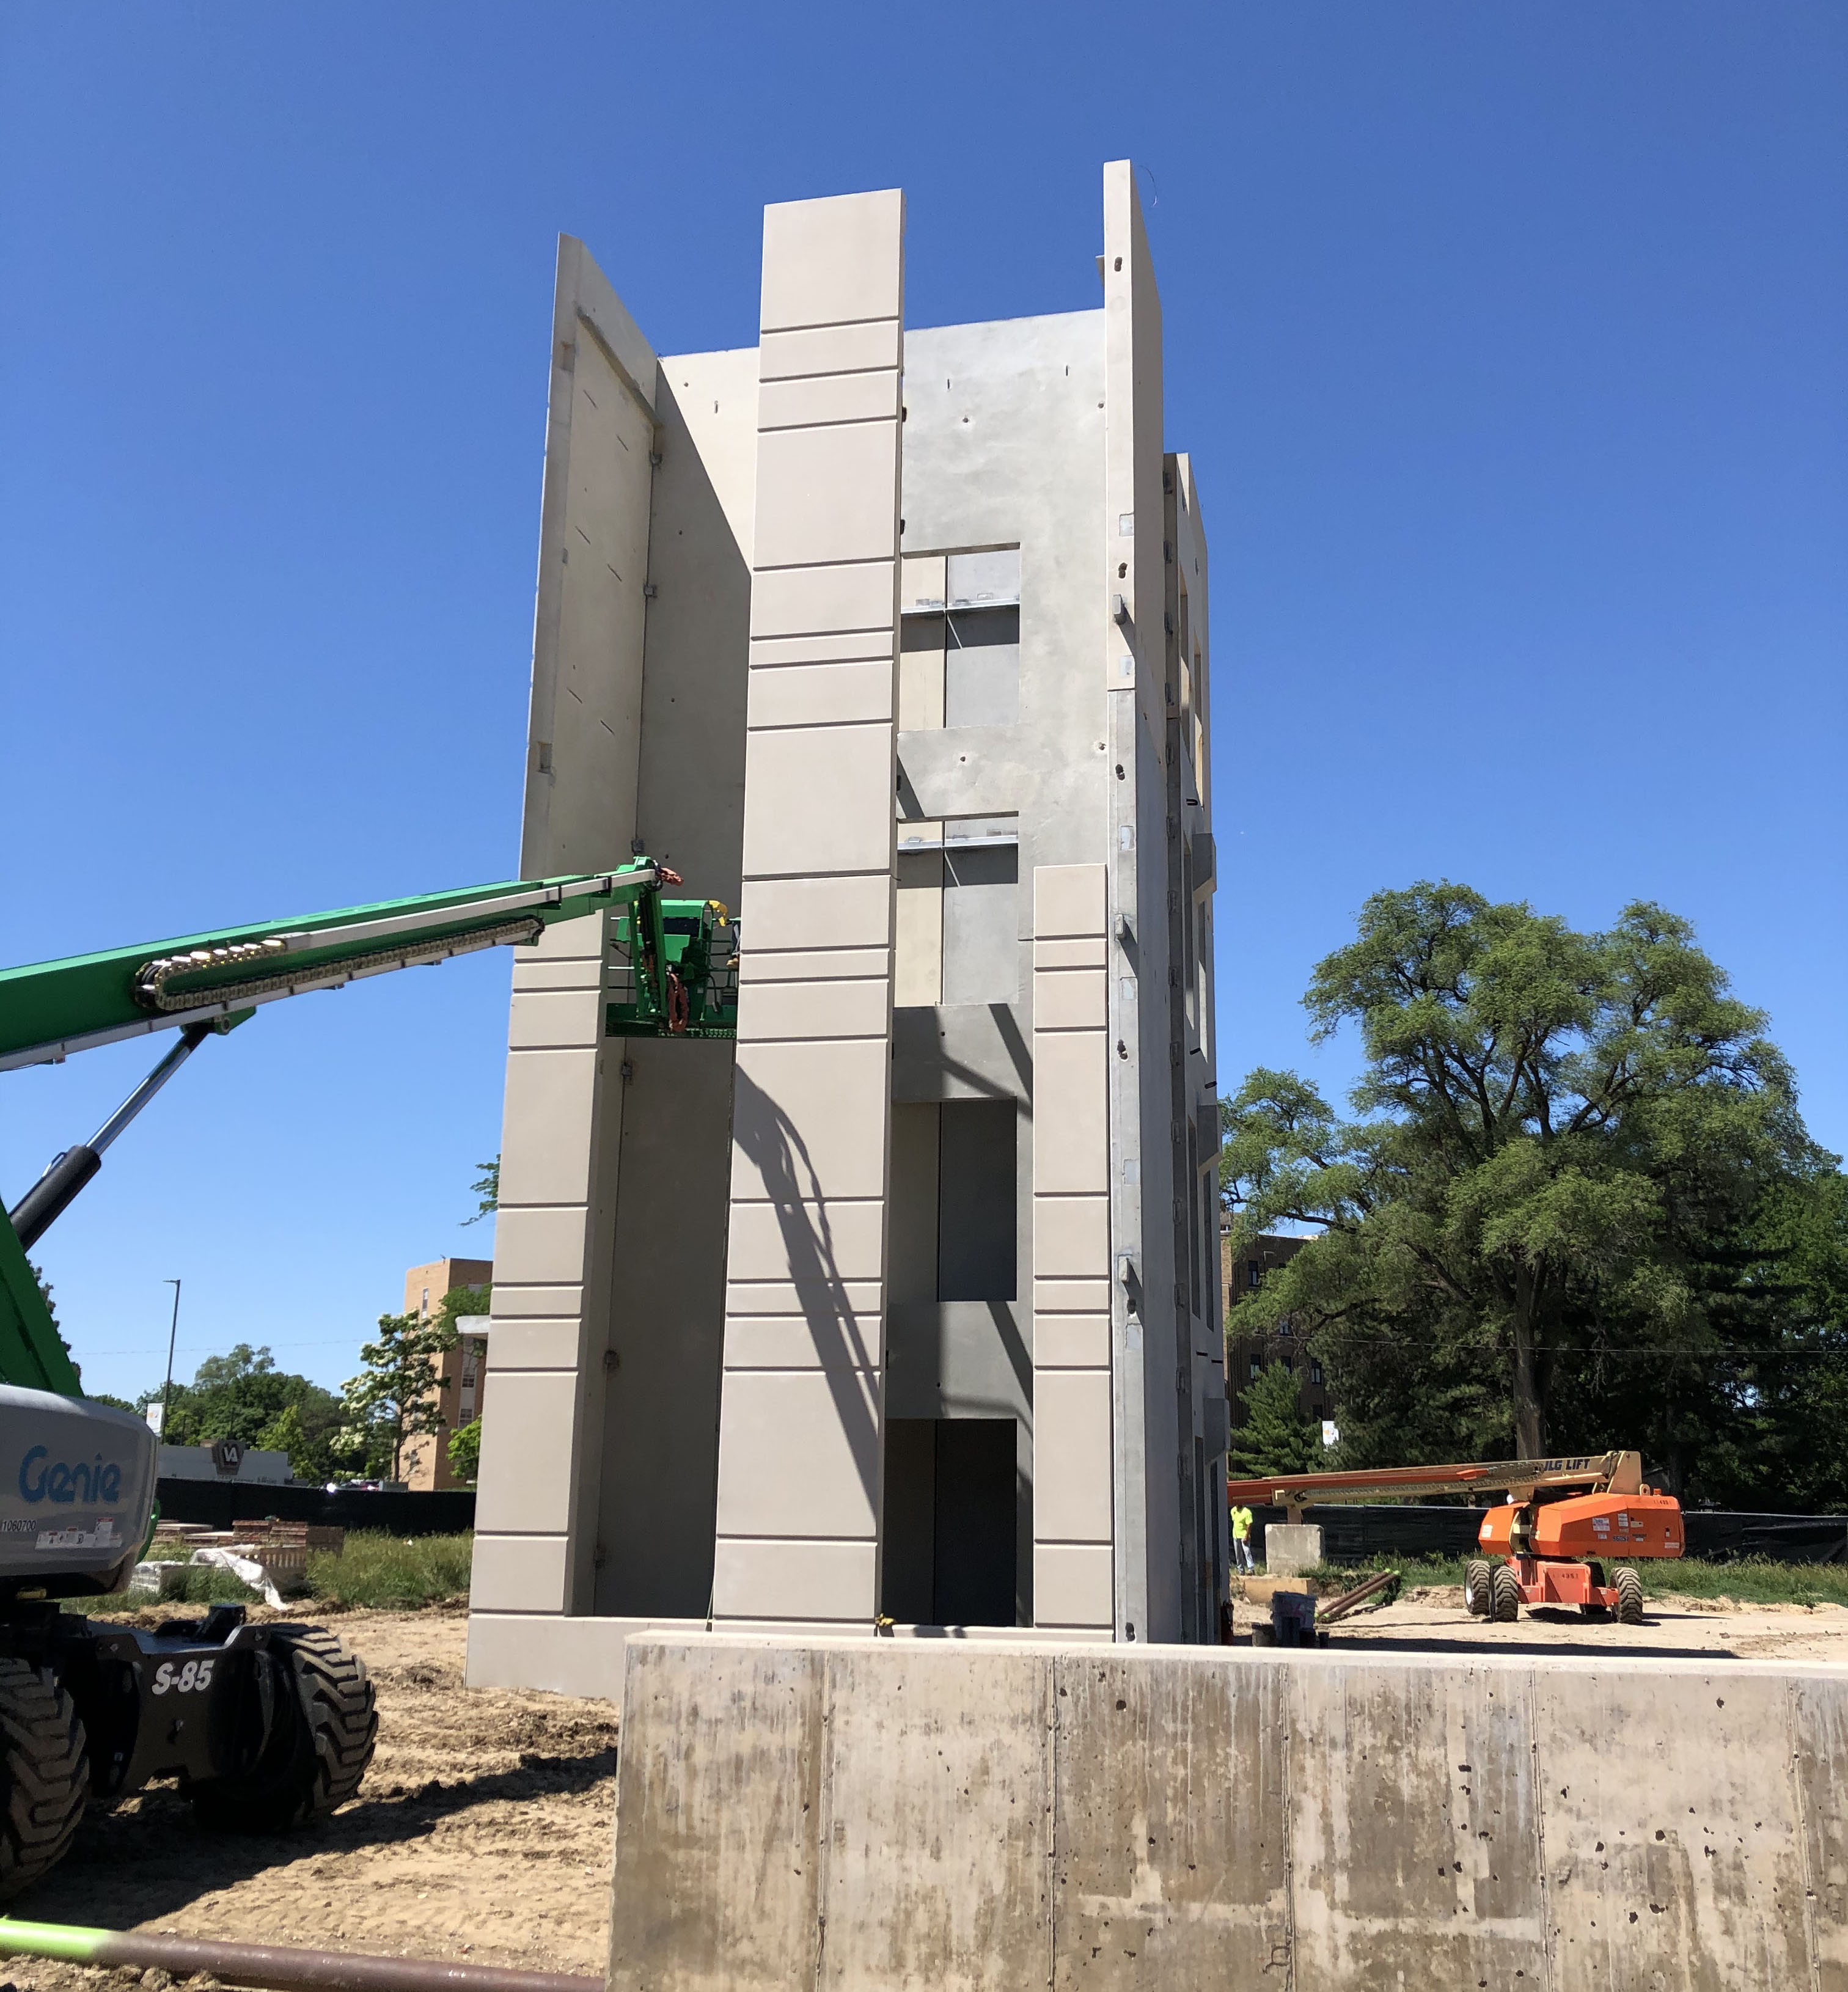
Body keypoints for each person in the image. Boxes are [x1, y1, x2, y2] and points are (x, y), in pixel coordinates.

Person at [1230, 1502, 1255, 1575]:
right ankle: (1241, 1570)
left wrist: (1247, 1536)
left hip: (1244, 1535)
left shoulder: (1247, 1512)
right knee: (1238, 1554)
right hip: (1236, 1536)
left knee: (1247, 1552)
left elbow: (1249, 1525)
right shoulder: (1233, 1511)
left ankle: (1251, 1569)